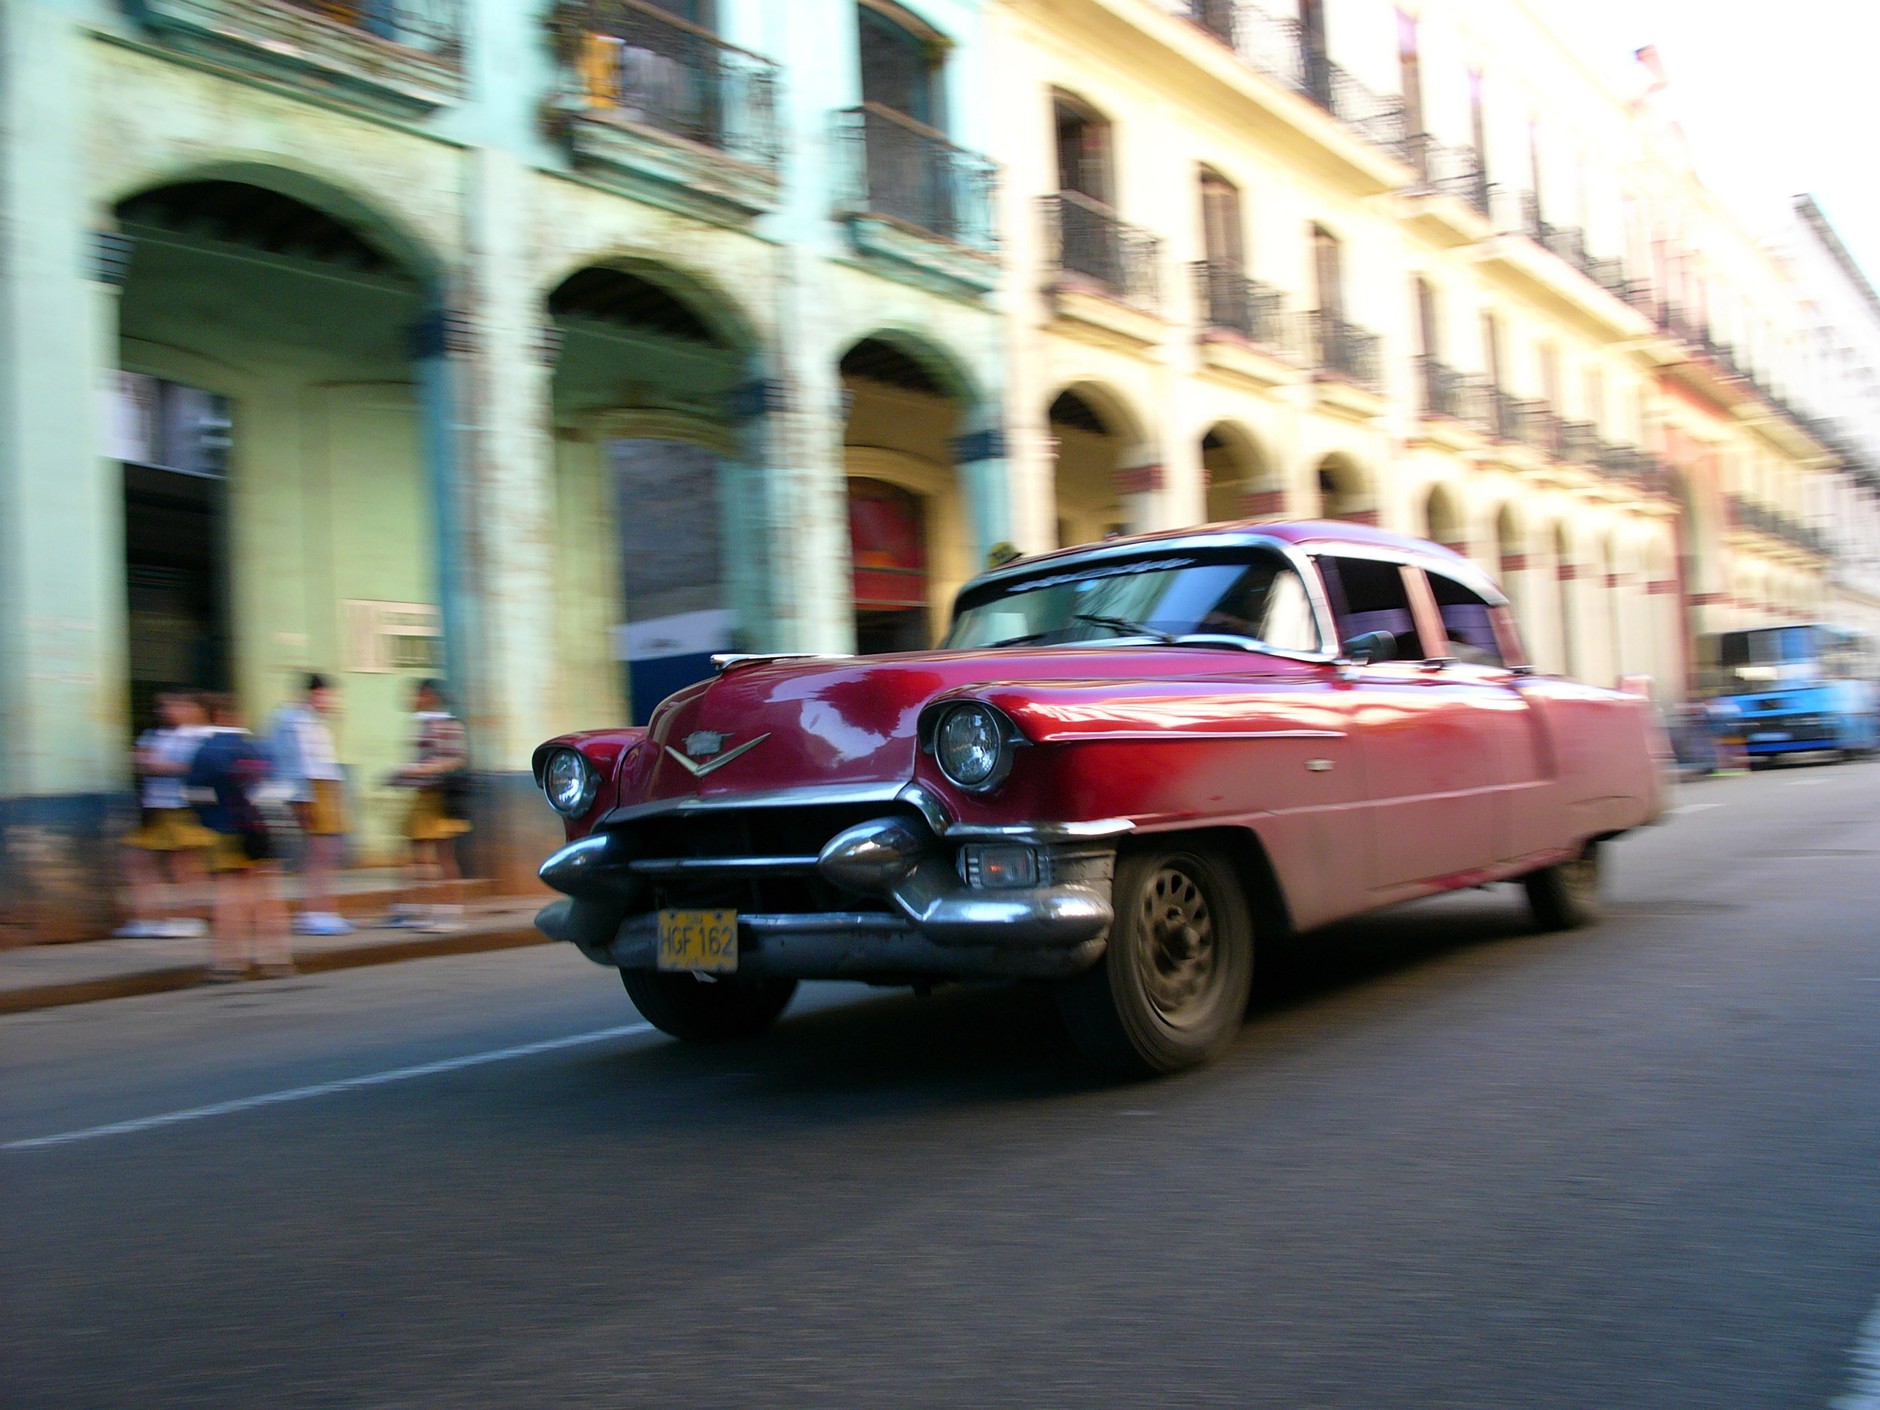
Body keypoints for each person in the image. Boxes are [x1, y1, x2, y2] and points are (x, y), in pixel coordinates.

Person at [188, 694, 293, 981]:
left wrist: (209, 821)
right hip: (263, 829)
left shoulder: (206, 751)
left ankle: (228, 963)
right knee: (269, 895)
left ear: (216, 717)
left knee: (228, 896)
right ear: (238, 717)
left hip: (225, 830)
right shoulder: (260, 748)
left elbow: (196, 795)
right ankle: (277, 960)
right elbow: (278, 789)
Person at [116, 691, 215, 939]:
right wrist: (148, 763)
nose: (168, 712)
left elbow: (203, 768)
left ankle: (191, 918)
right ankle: (149, 918)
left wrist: (161, 766)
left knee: (185, 866)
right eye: (164, 707)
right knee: (138, 861)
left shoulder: (203, 736)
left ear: (196, 709)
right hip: (154, 808)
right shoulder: (155, 735)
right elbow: (140, 761)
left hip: (184, 806)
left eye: (177, 706)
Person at [268, 673, 352, 936]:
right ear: (315, 694)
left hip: (324, 788)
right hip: (311, 789)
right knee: (320, 852)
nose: (332, 702)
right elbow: (293, 763)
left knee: (326, 852)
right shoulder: (293, 721)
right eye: (328, 696)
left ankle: (322, 910)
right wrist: (303, 799)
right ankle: (315, 913)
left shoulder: (313, 720)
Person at [388, 679, 472, 934]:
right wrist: (404, 775)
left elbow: (455, 759)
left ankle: (449, 912)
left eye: (419, 695)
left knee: (442, 857)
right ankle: (422, 910)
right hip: (422, 796)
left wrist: (422, 770)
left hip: (438, 798)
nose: (415, 699)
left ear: (430, 696)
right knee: (418, 856)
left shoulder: (447, 724)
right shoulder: (423, 723)